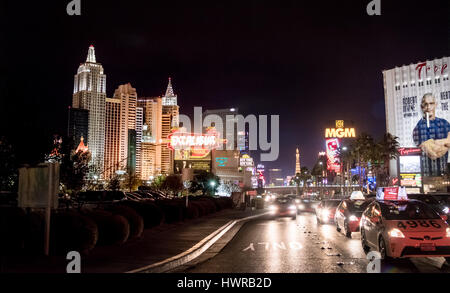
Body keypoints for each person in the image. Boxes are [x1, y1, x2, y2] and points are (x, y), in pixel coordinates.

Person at [412, 93, 450, 175]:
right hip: (427, 174)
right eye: (425, 104)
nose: (428, 107)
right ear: (422, 107)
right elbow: (433, 153)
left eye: (431, 103)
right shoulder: (418, 128)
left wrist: (437, 143)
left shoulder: (445, 123)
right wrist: (445, 142)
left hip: (445, 173)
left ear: (435, 105)